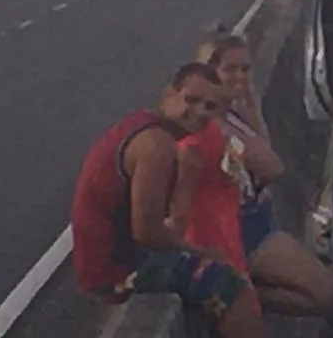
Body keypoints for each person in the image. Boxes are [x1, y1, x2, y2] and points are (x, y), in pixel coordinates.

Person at [70, 64, 262, 338]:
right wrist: (202, 253)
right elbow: (147, 232)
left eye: (207, 107)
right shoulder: (156, 146)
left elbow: (166, 220)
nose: (196, 112)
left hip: (116, 258)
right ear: (169, 94)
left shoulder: (145, 124)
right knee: (232, 286)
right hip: (117, 270)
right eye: (190, 99)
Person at [184, 30, 333, 318]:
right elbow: (273, 166)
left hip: (255, 219)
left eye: (245, 69)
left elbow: (263, 148)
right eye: (230, 69)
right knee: (327, 295)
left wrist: (250, 99)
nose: (240, 76)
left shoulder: (229, 114)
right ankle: (234, 292)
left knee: (327, 292)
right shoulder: (214, 126)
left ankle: (239, 291)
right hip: (241, 228)